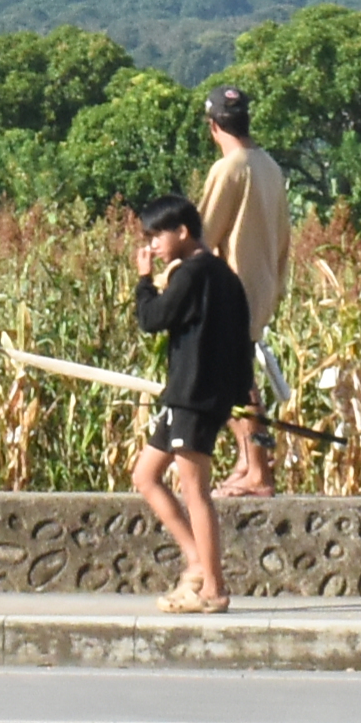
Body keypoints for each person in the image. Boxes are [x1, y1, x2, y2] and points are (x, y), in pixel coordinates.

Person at [125, 190, 253, 613]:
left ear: (182, 231)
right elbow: (243, 342)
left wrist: (144, 282)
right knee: (146, 476)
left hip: (193, 398)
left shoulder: (193, 274)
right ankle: (196, 562)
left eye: (157, 236)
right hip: (190, 396)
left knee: (195, 492)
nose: (152, 246)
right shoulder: (225, 275)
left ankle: (213, 588)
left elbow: (153, 319)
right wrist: (237, 395)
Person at [192, 87, 295, 501]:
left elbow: (202, 235)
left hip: (232, 289)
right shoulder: (269, 166)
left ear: (214, 127)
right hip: (263, 283)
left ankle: (258, 471)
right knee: (235, 380)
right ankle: (249, 460)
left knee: (237, 386)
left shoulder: (229, 168)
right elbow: (284, 235)